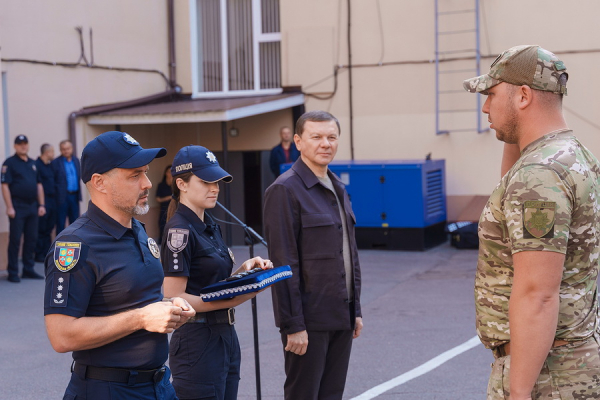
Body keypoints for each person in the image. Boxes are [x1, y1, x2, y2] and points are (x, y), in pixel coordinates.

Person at [464, 45, 600, 399]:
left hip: (546, 374)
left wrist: (520, 392)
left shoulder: (539, 174)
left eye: (491, 95)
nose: (485, 107)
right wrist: (515, 134)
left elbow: (538, 294)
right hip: (568, 362)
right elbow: (510, 191)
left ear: (523, 96)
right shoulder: (573, 156)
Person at [43, 130, 195, 399]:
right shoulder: (75, 245)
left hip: (159, 385)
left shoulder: (136, 228)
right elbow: (61, 336)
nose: (147, 183)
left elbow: (135, 299)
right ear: (100, 182)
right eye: (134, 175)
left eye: (145, 173)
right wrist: (141, 318)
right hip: (108, 389)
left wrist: (168, 308)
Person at [263, 111, 363, 400]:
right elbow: (282, 265)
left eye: (332, 137)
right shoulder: (284, 190)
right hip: (308, 320)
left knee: (332, 395)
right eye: (316, 137)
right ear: (298, 141)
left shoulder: (338, 187)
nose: (325, 144)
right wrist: (293, 325)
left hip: (340, 314)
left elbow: (349, 252)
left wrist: (355, 310)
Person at [161, 145, 273, 400]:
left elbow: (211, 282)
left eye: (218, 181)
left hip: (224, 337)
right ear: (182, 183)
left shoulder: (207, 223)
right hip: (197, 342)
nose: (215, 188)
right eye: (206, 181)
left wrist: (243, 271)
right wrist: (236, 297)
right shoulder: (179, 230)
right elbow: (173, 297)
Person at [1, 134, 46, 282]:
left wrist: (41, 204)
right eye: (20, 144)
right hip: (17, 206)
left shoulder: (33, 163)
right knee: (15, 239)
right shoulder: (9, 163)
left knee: (31, 239)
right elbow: (5, 186)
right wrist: (10, 207)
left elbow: (39, 185)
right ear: (15, 146)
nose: (23, 146)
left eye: (25, 143)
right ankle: (13, 272)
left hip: (32, 206)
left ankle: (28, 269)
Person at [52, 139, 81, 234]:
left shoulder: (76, 161)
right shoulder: (55, 163)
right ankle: (60, 247)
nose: (66, 151)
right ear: (60, 150)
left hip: (74, 196)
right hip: (62, 198)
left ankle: (76, 246)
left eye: (68, 148)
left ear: (71, 149)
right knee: (60, 224)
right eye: (63, 149)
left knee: (76, 223)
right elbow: (53, 181)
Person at [35, 143, 56, 262]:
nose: (53, 154)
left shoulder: (49, 166)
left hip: (52, 200)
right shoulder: (37, 165)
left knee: (49, 228)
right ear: (47, 152)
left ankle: (47, 253)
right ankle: (39, 254)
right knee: (41, 228)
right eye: (52, 151)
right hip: (43, 201)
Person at [155, 164, 172, 244]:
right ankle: (162, 244)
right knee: (163, 226)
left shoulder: (176, 185)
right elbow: (157, 198)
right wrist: (168, 198)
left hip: (174, 209)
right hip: (164, 209)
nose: (171, 173)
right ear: (166, 173)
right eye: (169, 171)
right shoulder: (161, 185)